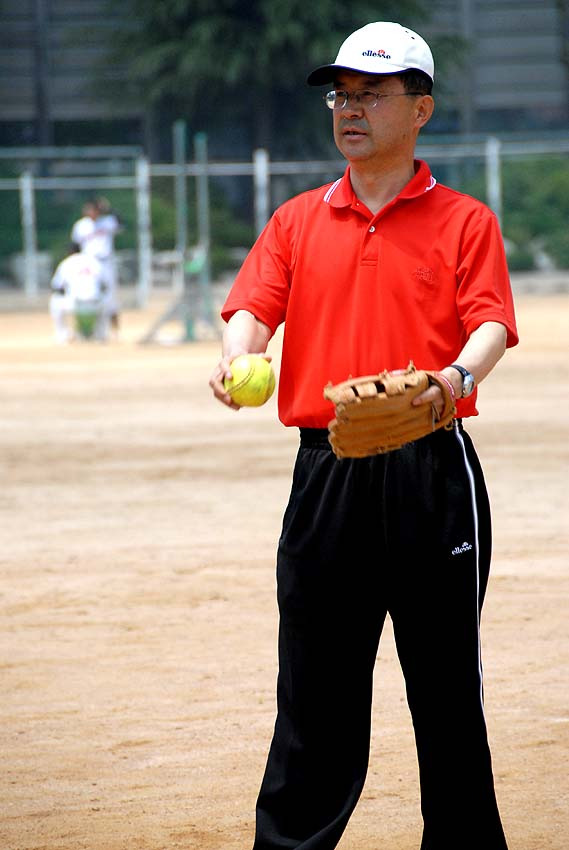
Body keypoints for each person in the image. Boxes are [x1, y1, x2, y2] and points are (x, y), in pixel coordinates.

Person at [209, 21, 518, 850]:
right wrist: (235, 354)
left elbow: (490, 324)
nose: (349, 109)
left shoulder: (464, 220)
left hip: (430, 464)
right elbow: (251, 309)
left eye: (370, 94)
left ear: (418, 109)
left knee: (445, 687)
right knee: (313, 687)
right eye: (340, 94)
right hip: (327, 472)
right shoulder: (298, 219)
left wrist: (454, 382)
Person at [70, 197, 122, 337]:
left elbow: (120, 222)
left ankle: (115, 330)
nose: (90, 212)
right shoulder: (81, 225)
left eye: (93, 209)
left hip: (105, 261)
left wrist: (108, 208)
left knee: (110, 296)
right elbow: (74, 246)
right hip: (89, 262)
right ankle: (85, 330)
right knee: (88, 294)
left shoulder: (107, 221)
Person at [49, 244, 110, 342]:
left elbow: (56, 286)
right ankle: (101, 334)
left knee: (55, 300)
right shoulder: (94, 261)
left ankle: (62, 335)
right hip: (96, 302)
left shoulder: (66, 263)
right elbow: (106, 285)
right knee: (107, 298)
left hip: (75, 303)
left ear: (70, 253)